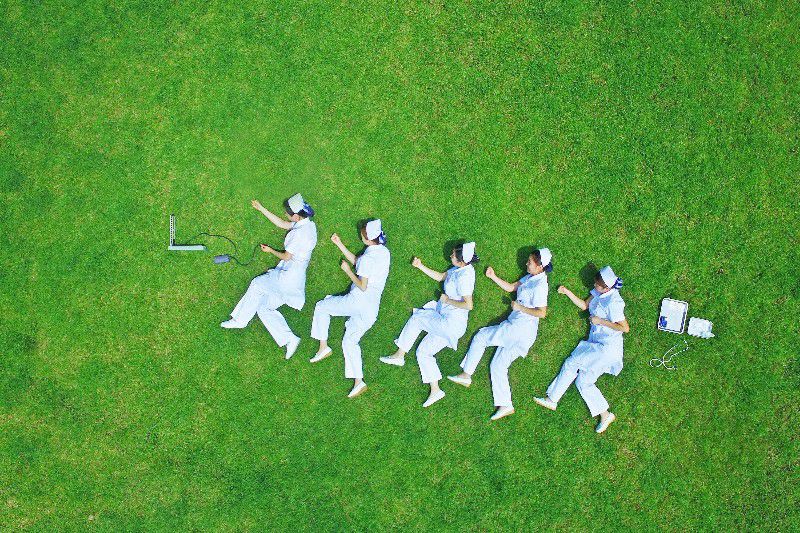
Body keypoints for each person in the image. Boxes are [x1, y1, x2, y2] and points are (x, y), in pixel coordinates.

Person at [448, 248, 552, 421]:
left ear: (540, 266)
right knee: (498, 365)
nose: (526, 263)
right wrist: (493, 276)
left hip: (518, 329)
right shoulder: (530, 278)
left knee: (481, 337)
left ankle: (466, 374)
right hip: (523, 334)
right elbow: (512, 287)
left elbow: (542, 313)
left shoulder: (541, 285)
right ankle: (505, 405)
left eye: (530, 262)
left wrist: (520, 308)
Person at [379, 242, 478, 408]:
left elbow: (469, 305)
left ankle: (400, 355)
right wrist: (420, 266)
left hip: (450, 324)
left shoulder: (465, 277)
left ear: (461, 261)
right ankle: (435, 390)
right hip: (447, 322)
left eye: (453, 255)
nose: (450, 256)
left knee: (418, 318)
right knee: (423, 352)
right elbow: (441, 276)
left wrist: (447, 300)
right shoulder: (458, 269)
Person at [533, 266, 629, 434]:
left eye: (598, 283)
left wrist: (600, 321)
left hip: (606, 348)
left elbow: (624, 328)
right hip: (598, 345)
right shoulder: (599, 292)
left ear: (607, 287)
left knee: (573, 362)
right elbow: (585, 305)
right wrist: (567, 291)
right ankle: (605, 415)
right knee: (583, 382)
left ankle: (552, 399)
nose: (594, 283)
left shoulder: (614, 302)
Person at [221, 194, 318, 360]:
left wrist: (270, 250)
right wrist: (261, 209)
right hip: (295, 277)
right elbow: (283, 224)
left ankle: (240, 320)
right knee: (264, 308)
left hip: (288, 278)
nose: (285, 215)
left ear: (296, 215)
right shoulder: (307, 225)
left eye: (287, 213)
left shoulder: (299, 234)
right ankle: (289, 339)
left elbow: (287, 257)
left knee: (258, 284)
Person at [309, 219, 391, 398]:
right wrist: (339, 244)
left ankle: (323, 346)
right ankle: (358, 381)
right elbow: (359, 262)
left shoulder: (369, 257)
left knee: (322, 307)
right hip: (371, 310)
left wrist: (347, 271)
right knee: (350, 341)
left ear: (368, 240)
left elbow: (362, 285)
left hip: (358, 300)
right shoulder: (384, 252)